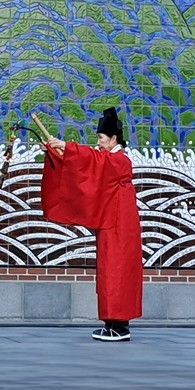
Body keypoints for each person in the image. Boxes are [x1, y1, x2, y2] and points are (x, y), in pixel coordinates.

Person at [40, 107, 143, 342]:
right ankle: (112, 323)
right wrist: (56, 152)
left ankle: (119, 326)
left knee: (117, 272)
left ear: (114, 139)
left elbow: (92, 161)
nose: (98, 142)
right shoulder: (109, 160)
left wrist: (66, 146)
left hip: (120, 225)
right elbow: (86, 167)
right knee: (110, 272)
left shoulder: (120, 161)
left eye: (101, 138)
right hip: (111, 223)